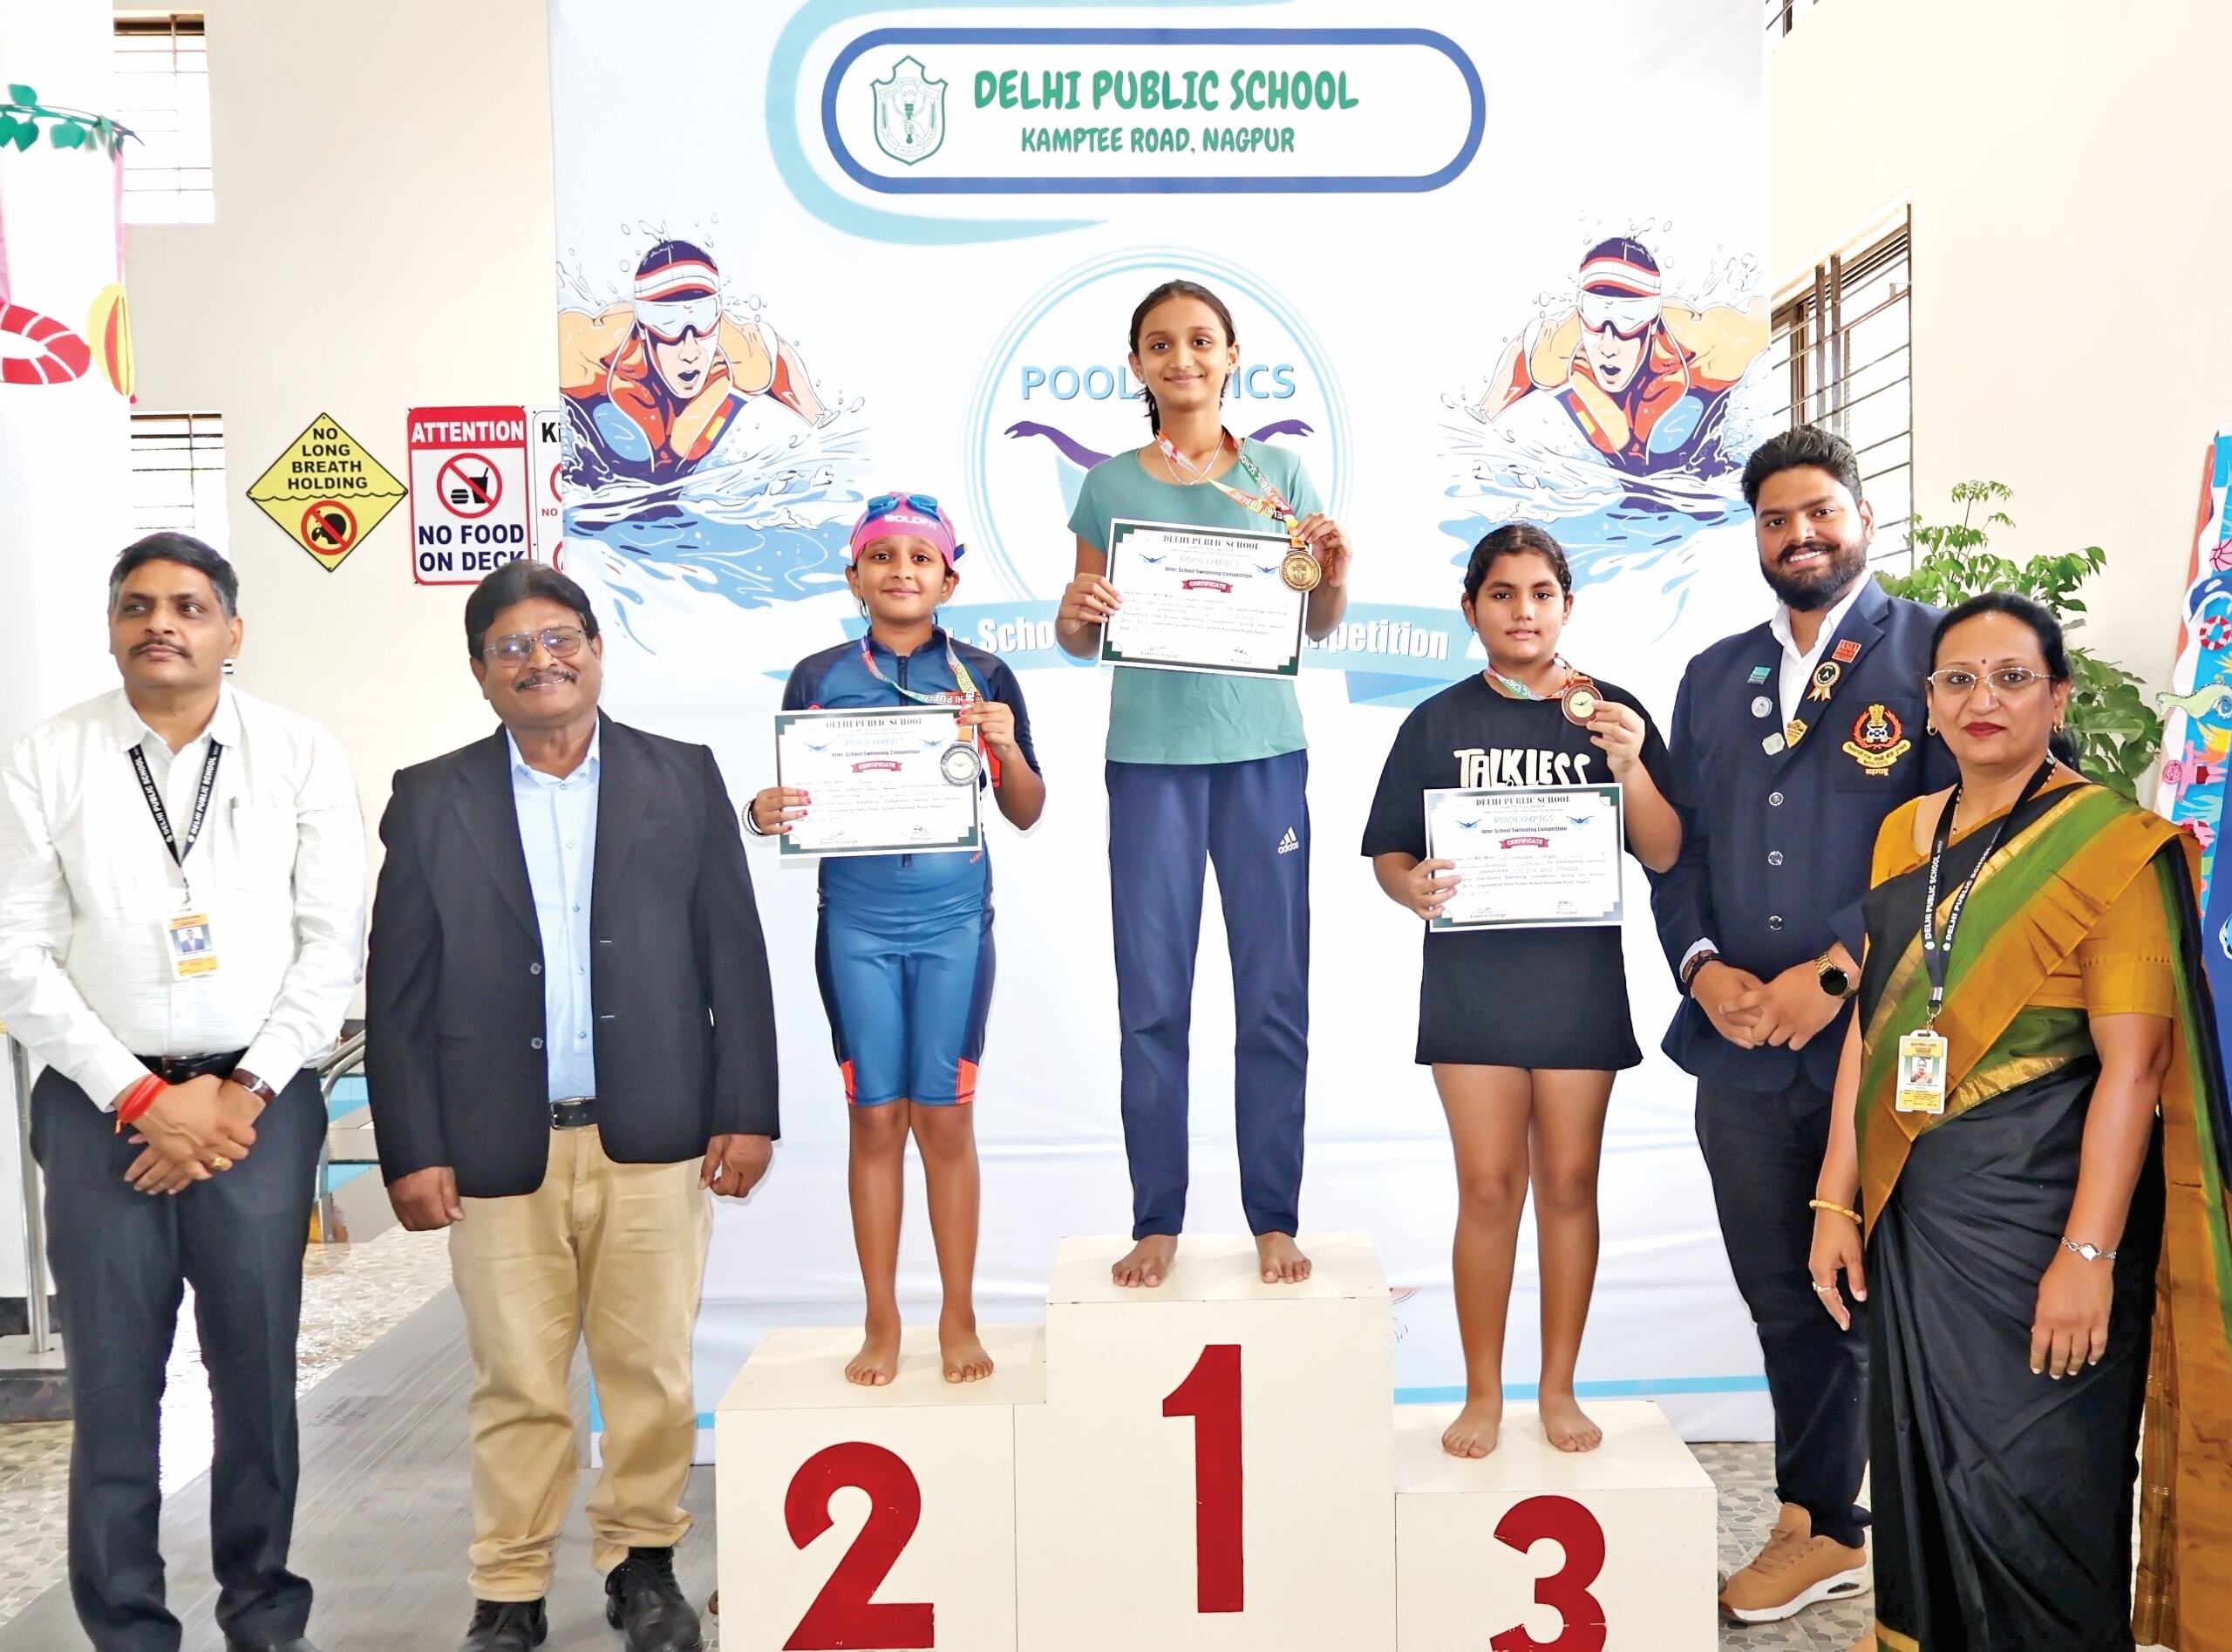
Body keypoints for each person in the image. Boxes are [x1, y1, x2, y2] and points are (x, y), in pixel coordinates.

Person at [364, 561, 779, 1652]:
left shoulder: (681, 775)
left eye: (559, 638)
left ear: (596, 649)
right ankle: (508, 1589)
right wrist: (410, 1145)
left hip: (654, 1130)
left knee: (650, 1373)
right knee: (515, 1381)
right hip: (495, 1140)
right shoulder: (431, 794)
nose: (538, 660)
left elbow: (732, 955)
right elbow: (397, 989)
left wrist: (746, 1106)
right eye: (511, 646)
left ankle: (643, 1567)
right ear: (479, 671)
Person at [1809, 593, 2232, 1651]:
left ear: (2058, 696)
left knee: (2039, 1494)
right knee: (1927, 1478)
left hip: (2045, 1215)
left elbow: (2134, 1069)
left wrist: (2086, 1255)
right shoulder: (1903, 832)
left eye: (2011, 677)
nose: (1981, 699)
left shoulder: (2111, 846)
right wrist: (1833, 1196)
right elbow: (1871, 1023)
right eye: (1957, 679)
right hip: (1919, 1210)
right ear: (1928, 703)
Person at [0, 533, 364, 1652]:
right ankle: (127, 1629)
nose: (162, 622)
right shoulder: (47, 758)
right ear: (113, 628)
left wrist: (241, 1092)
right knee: (114, 1382)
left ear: (232, 631)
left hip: (261, 1099)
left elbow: (331, 942)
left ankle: (265, 1616)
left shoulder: (297, 752)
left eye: (189, 606)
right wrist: (139, 1096)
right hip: (99, 1104)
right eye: (138, 605)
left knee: (256, 1373)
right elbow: (17, 952)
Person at [1648, 424, 1954, 1625]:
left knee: (1897, 1291)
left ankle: (1906, 1525)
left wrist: (1833, 969)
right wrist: (1702, 967)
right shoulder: (1712, 674)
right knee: (1785, 1292)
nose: (1800, 534)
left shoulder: (1940, 651)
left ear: (1863, 516)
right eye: (1775, 519)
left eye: (1820, 509)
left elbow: (1981, 831)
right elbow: (1678, 847)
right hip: (1738, 1049)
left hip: (1887, 1039)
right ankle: (1819, 1518)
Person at [1055, 277, 1356, 1288]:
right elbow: (1079, 630)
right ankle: (1157, 1218)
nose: (1180, 358)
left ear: (1232, 357)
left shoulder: (1280, 475)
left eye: (1198, 340)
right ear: (1136, 365)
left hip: (1263, 756)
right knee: (1153, 1000)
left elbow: (1315, 623)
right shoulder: (1106, 486)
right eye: (1159, 344)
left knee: (1272, 995)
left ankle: (1273, 1215)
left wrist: (1334, 574)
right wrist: (1075, 610)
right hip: (1151, 764)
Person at [1363, 525, 1679, 1459]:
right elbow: (1389, 851)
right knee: (1488, 1186)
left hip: (1578, 984)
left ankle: (1558, 1387)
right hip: (1473, 986)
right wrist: (1409, 886)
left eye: (1541, 592)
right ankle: (1481, 1392)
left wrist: (1630, 766)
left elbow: (1665, 850)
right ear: (1471, 608)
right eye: (1502, 593)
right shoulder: (1435, 722)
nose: (1523, 610)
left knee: (1570, 1182)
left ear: (1567, 605)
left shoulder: (1610, 713)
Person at [746, 493, 1045, 1386]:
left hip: (954, 924)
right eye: (882, 556)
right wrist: (763, 811)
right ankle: (881, 1318)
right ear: (854, 577)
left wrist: (1005, 747)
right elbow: (795, 800)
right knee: (875, 1115)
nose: (901, 571)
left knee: (944, 1116)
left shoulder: (983, 672)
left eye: (921, 557)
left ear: (948, 579)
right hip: (856, 925)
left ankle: (959, 1314)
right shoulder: (818, 675)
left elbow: (1027, 810)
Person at [1470, 236, 1768, 475]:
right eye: (1595, 312)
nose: (1609, 344)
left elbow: (1762, 317)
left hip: (1705, 474)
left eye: (1630, 316)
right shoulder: (1554, 355)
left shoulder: (1710, 348)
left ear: (1652, 320)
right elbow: (1472, 425)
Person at [559, 237, 828, 481]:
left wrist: (820, 426)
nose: (690, 351)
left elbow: (826, 427)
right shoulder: (585, 356)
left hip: (679, 480)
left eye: (703, 317)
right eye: (667, 322)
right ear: (643, 326)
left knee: (678, 452)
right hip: (595, 482)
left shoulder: (745, 360)